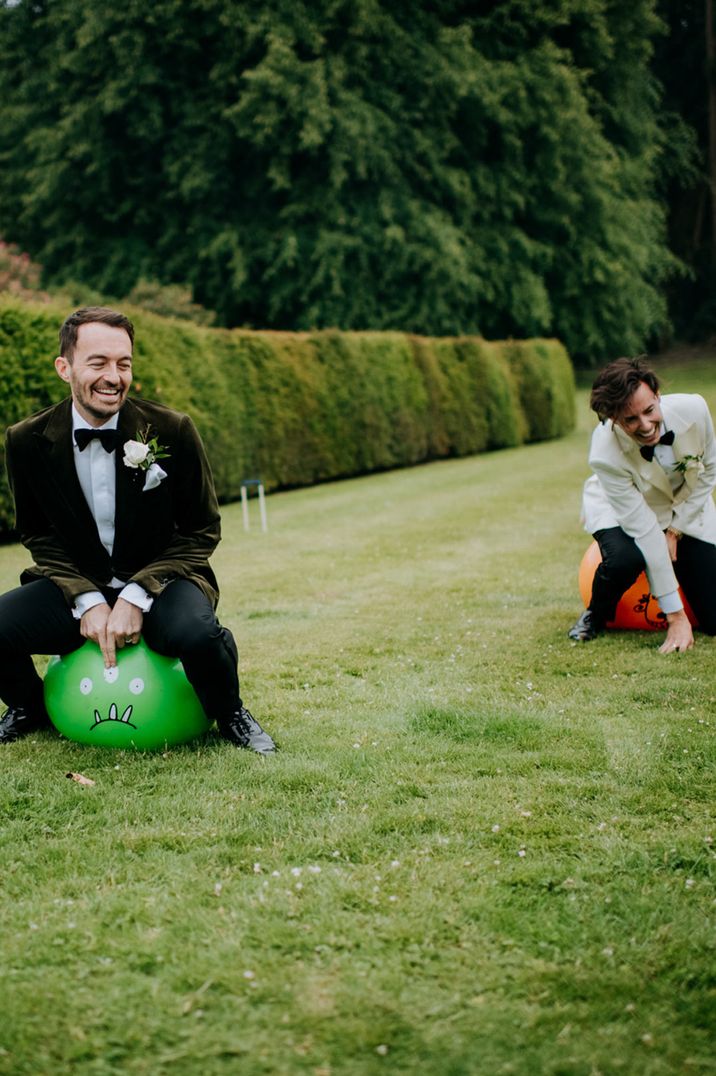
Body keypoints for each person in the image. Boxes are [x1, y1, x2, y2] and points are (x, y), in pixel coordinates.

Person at [0, 306, 276, 751]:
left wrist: (136, 593)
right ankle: (30, 707)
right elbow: (38, 535)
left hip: (160, 581)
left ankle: (230, 713)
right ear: (64, 367)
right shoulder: (24, 440)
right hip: (77, 586)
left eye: (123, 364)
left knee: (197, 633)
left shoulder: (173, 430)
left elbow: (201, 529)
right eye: (99, 363)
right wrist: (87, 599)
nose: (114, 376)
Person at [568, 355, 716, 654]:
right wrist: (676, 618)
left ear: (657, 395)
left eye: (649, 410)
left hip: (682, 505)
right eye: (630, 420)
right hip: (620, 505)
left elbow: (709, 472)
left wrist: (675, 531)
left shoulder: (695, 409)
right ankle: (596, 614)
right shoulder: (604, 453)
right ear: (614, 420)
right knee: (626, 558)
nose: (646, 426)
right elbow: (646, 532)